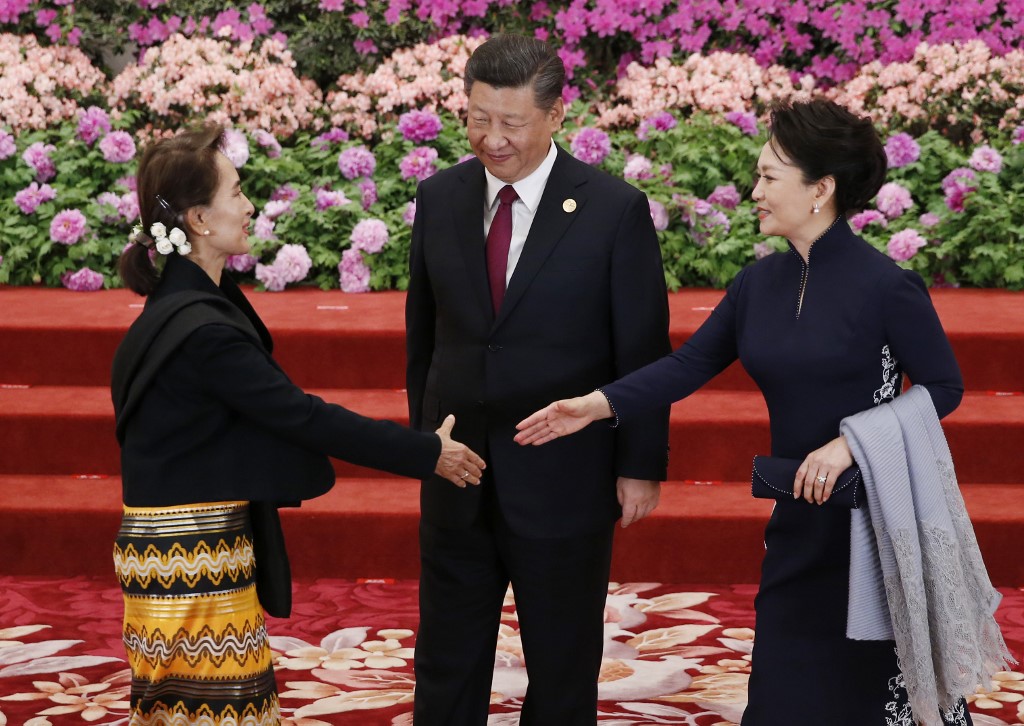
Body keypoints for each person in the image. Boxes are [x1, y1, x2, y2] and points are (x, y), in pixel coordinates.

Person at [515, 99, 974, 725]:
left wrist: (851, 441)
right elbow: (687, 366)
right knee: (784, 690)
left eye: (768, 177)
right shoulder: (758, 285)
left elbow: (944, 387)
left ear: (821, 190)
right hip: (796, 513)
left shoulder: (887, 287)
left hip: (870, 519)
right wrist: (595, 406)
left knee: (865, 690)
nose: (753, 191)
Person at [109, 124, 485, 725]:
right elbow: (302, 416)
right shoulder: (202, 330)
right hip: (191, 558)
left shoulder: (182, 306)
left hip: (181, 549)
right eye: (236, 192)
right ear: (199, 219)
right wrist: (424, 452)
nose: (249, 204)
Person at [405, 34, 671, 725]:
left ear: (556, 116)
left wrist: (639, 463)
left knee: (561, 659)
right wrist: (423, 443)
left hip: (564, 472)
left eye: (511, 123)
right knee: (446, 656)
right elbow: (424, 337)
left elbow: (642, 349)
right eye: (478, 118)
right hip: (458, 470)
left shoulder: (613, 211)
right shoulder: (439, 198)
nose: (492, 139)